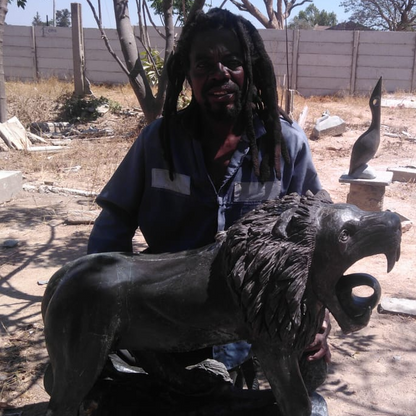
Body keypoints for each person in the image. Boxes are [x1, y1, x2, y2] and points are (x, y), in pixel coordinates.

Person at [88, 7, 330, 393]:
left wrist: (315, 318)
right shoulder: (158, 142)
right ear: (189, 75)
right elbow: (114, 224)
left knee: (310, 371)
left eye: (232, 62)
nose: (219, 73)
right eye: (204, 64)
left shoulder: (285, 145)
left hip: (251, 327)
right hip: (167, 318)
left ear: (250, 68)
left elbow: (320, 236)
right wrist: (99, 298)